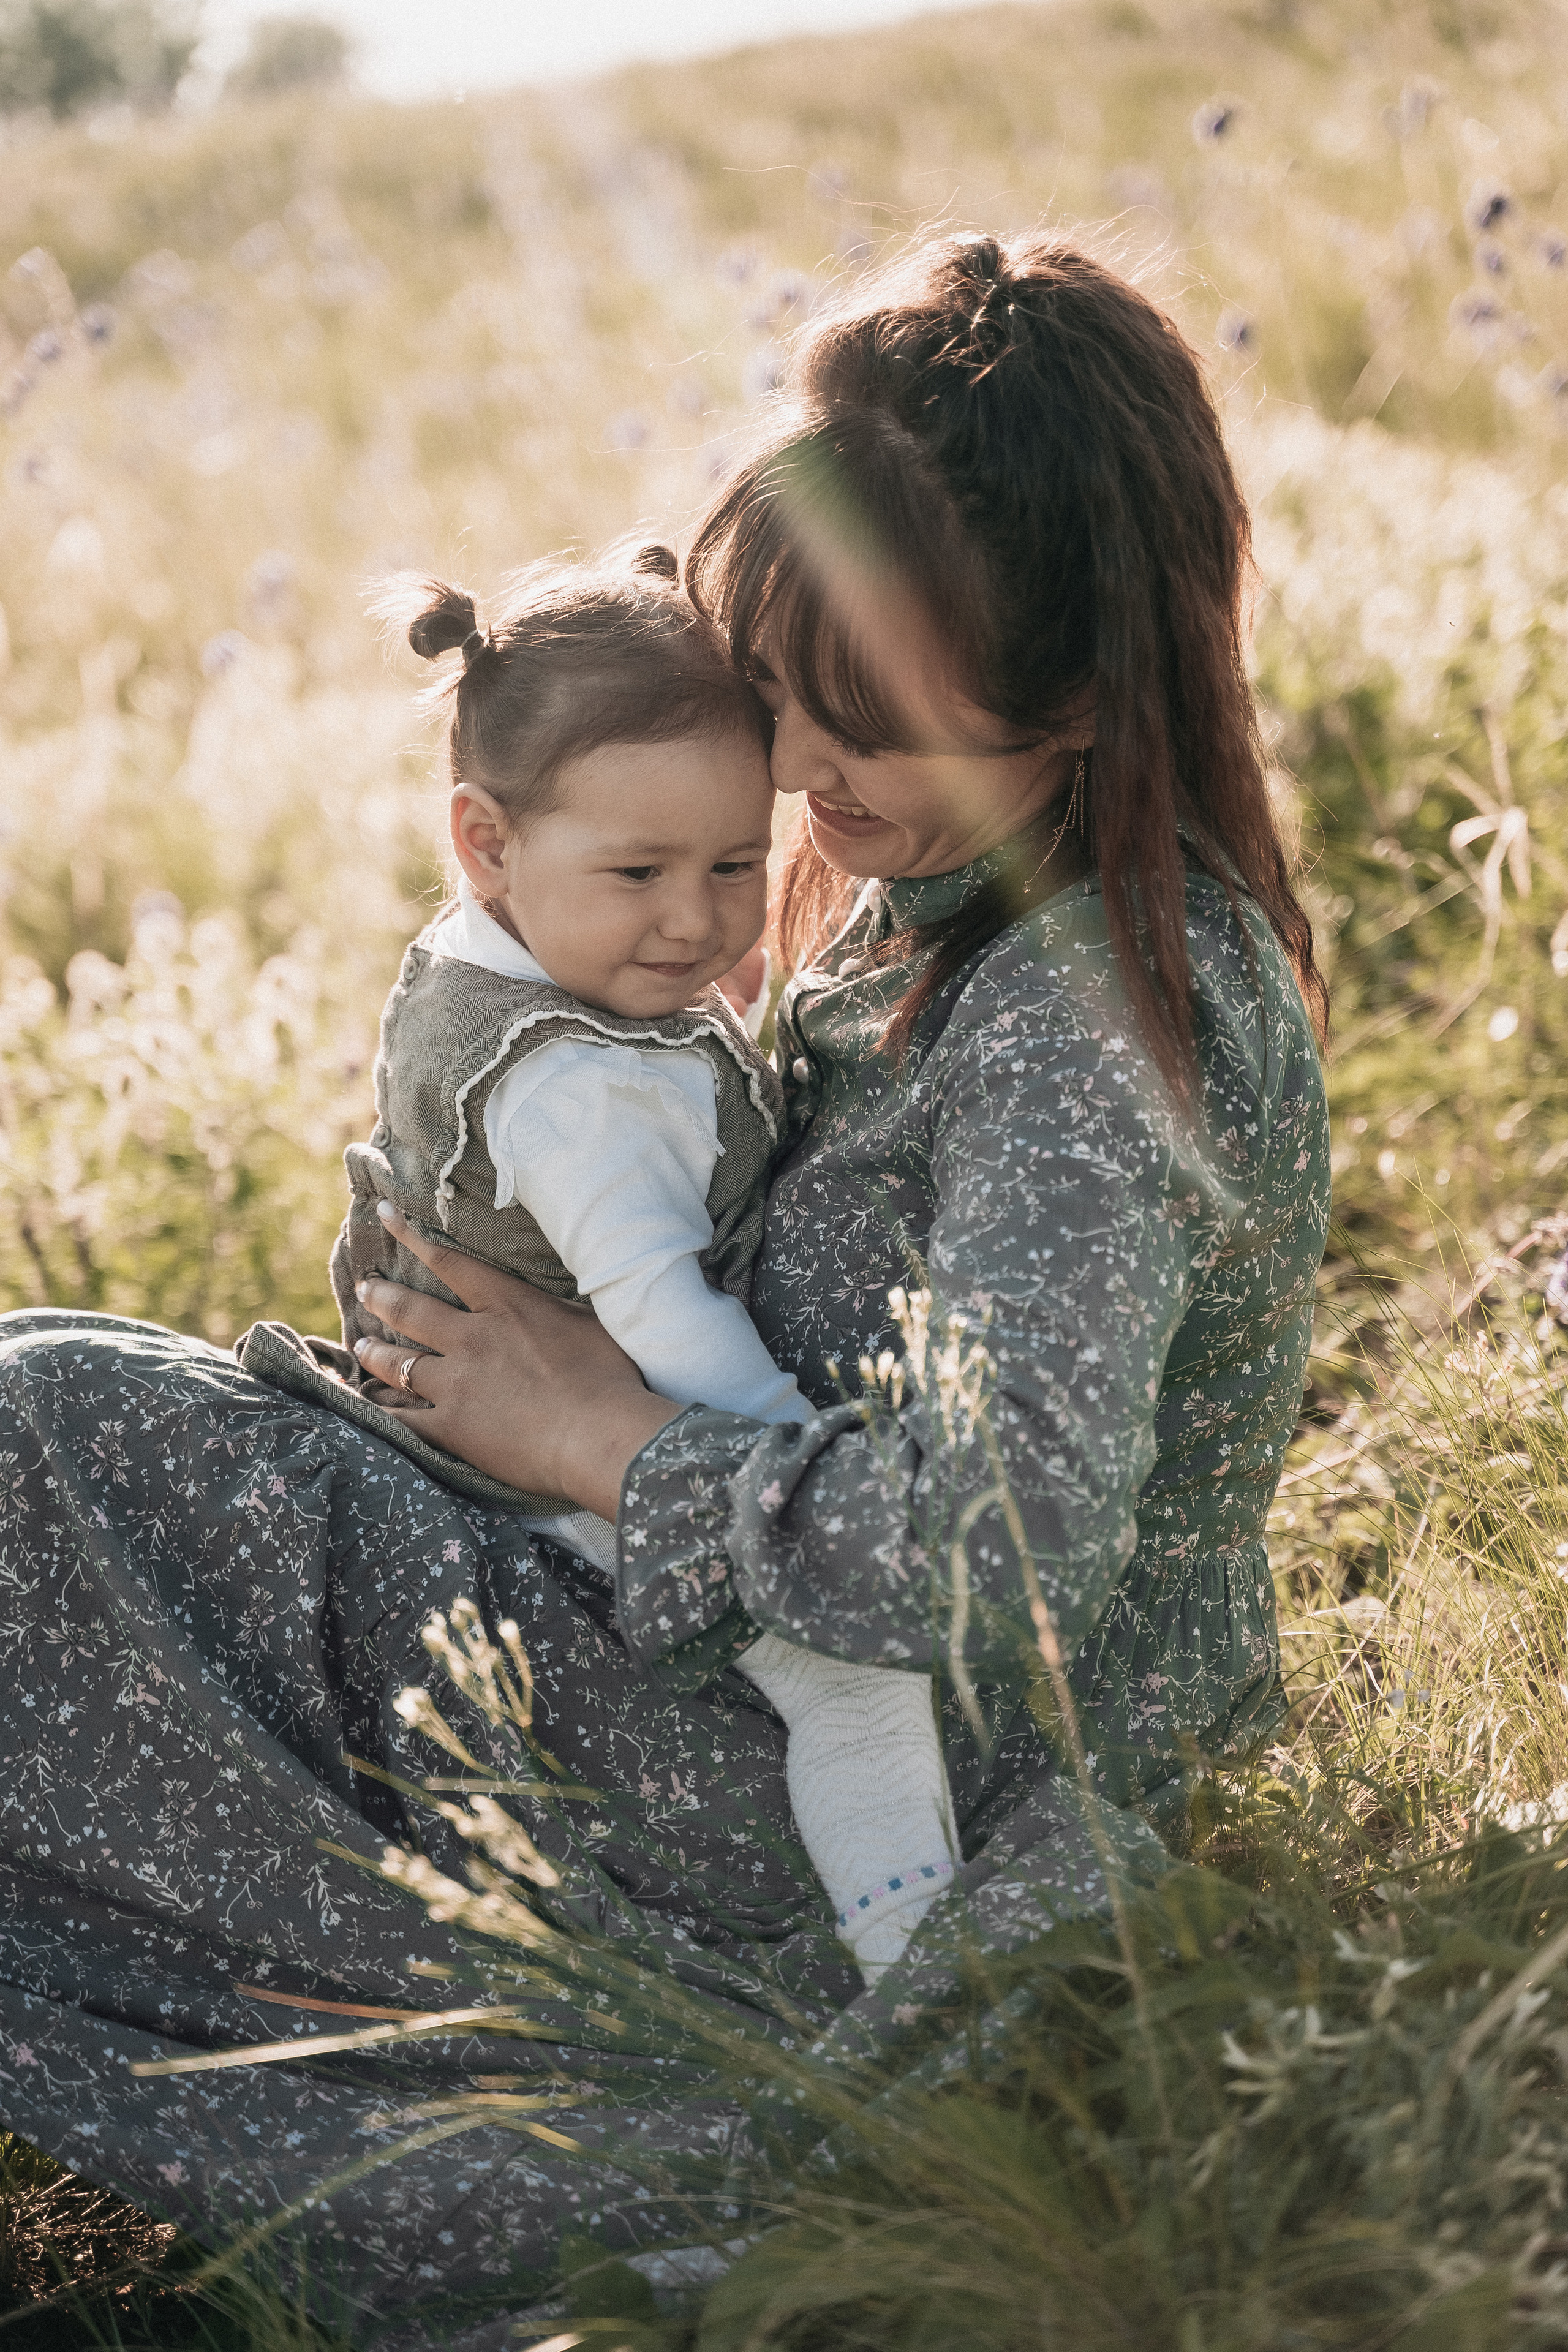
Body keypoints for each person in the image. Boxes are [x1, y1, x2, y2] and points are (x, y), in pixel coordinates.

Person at [0, 230, 1330, 2331]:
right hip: (732, 1639)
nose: (797, 765)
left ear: (1080, 692)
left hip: (894, 1767)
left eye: (871, 715)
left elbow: (1011, 1565)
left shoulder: (1088, 1017)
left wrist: (604, 1442)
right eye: (793, 677)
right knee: (60, 1405)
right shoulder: (943, 909)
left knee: (33, 1445)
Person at [243, 549, 959, 1985]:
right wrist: (789, 1474)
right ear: (485, 839)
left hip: (482, 1433)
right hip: (562, 1468)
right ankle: (925, 1977)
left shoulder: (511, 958)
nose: (693, 921)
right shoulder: (579, 1088)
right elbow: (655, 1309)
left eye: (733, 864)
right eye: (638, 873)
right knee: (858, 1684)